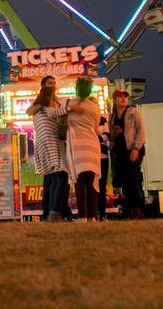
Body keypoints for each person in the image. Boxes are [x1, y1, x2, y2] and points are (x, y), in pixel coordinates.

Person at [27, 84, 71, 221]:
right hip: (53, 148)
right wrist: (71, 108)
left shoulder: (38, 111)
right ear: (47, 98)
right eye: (54, 97)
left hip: (45, 150)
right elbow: (56, 112)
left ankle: (53, 212)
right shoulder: (46, 110)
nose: (56, 101)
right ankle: (54, 212)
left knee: (54, 181)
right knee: (61, 178)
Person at [66, 77, 102, 221]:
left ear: (76, 89)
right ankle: (92, 216)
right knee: (91, 183)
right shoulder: (94, 107)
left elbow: (58, 114)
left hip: (76, 147)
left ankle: (82, 216)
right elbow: (96, 127)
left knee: (79, 183)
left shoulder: (68, 103)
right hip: (92, 146)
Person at [108, 90, 146, 219]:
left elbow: (141, 129)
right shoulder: (112, 117)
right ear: (114, 100)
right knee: (123, 181)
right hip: (120, 152)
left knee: (132, 179)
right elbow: (111, 137)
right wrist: (114, 133)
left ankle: (137, 209)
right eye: (120, 97)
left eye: (125, 97)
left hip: (131, 149)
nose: (123, 99)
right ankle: (129, 209)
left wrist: (136, 148)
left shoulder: (133, 112)